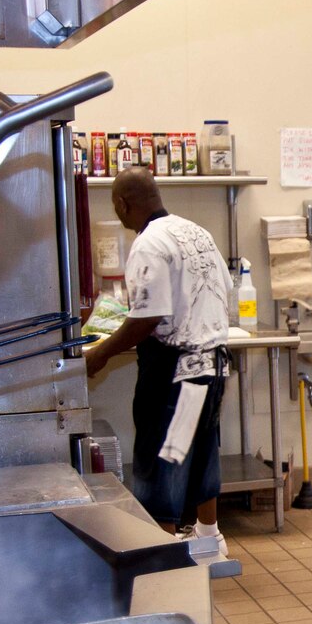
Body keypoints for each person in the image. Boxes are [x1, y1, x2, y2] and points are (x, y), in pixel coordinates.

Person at [83, 168, 231, 552]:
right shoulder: (197, 232)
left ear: (121, 204)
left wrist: (99, 354)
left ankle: (164, 554)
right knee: (197, 450)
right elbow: (222, 290)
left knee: (162, 459)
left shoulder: (148, 244)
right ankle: (208, 539)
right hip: (211, 365)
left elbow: (147, 317)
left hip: (173, 372)